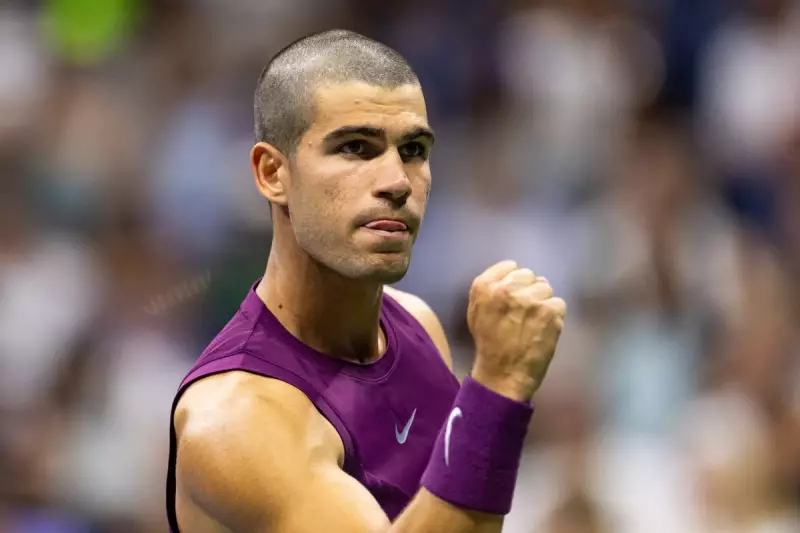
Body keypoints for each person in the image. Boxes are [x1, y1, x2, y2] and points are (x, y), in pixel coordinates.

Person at [165, 29, 567, 533]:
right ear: (272, 173)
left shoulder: (419, 324)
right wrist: (498, 387)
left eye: (413, 149)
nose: (397, 182)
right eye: (356, 148)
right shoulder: (236, 420)